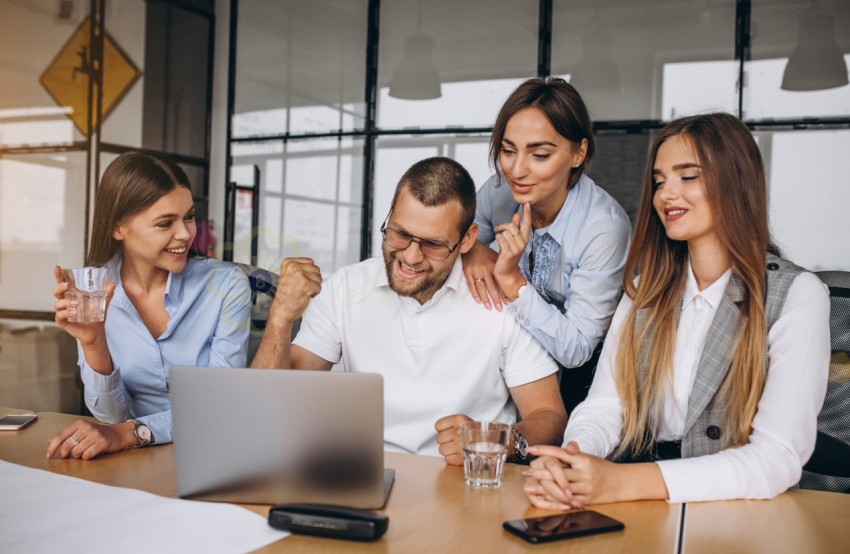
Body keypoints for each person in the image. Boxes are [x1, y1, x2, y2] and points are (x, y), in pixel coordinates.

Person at [523, 112, 830, 507]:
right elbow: (606, 405)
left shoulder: (797, 295)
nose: (667, 194)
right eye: (659, 181)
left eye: (688, 177)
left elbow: (777, 458)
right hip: (641, 498)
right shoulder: (646, 290)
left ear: (736, 182)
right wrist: (575, 459)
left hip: (734, 508)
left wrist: (621, 483)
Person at [252, 157, 566, 464]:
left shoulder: (505, 301)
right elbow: (269, 410)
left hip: (464, 481)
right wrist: (279, 319)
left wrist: (499, 440)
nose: (411, 257)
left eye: (432, 244)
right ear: (389, 215)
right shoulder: (345, 288)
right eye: (400, 234)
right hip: (365, 473)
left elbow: (549, 416)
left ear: (468, 239)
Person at [47, 152, 251, 460]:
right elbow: (110, 416)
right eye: (165, 223)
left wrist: (132, 433)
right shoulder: (94, 292)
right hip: (133, 458)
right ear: (118, 228)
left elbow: (218, 405)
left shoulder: (226, 285)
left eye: (189, 216)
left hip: (216, 452)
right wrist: (93, 342)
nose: (185, 234)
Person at [462, 77, 631, 411]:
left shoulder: (604, 228)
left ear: (579, 153)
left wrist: (511, 280)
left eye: (539, 154)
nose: (517, 170)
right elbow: (451, 244)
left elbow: (577, 350)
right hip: (506, 366)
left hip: (580, 386)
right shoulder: (497, 192)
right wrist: (472, 250)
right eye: (508, 151)